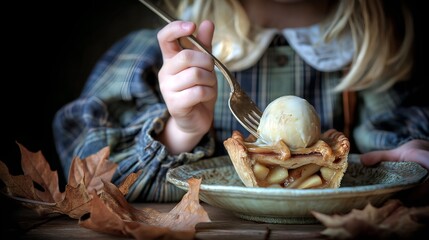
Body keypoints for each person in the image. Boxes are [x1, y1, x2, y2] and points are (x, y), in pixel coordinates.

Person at [52, 0, 429, 202]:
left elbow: (388, 155)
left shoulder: (371, 58)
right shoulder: (165, 56)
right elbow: (89, 178)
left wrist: (408, 162)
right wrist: (179, 131)